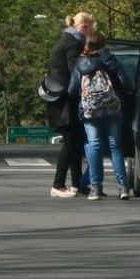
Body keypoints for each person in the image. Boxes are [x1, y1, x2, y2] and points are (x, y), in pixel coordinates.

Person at [68, 31, 132, 201]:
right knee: (115, 147)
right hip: (112, 108)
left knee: (94, 145)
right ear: (103, 44)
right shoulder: (111, 61)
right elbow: (127, 83)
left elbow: (72, 90)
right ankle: (123, 187)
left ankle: (95, 188)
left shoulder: (80, 64)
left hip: (90, 110)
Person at [46, 12, 94, 198]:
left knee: (75, 140)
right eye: (89, 28)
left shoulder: (67, 39)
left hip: (61, 98)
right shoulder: (74, 43)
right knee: (71, 140)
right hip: (66, 100)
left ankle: (77, 183)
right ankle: (58, 185)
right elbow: (76, 70)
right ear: (83, 27)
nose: (90, 32)